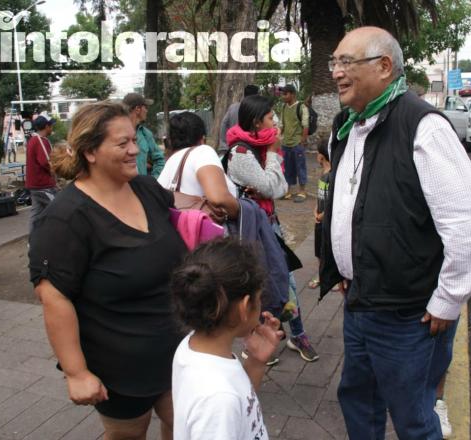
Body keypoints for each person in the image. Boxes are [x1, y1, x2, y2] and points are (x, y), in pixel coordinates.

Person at [320, 27, 471, 439]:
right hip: (360, 299)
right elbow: (350, 204)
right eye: (334, 62)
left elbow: (469, 218)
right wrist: (345, 266)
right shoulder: (348, 125)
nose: (337, 72)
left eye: (347, 62)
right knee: (358, 398)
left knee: (412, 415)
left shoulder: (422, 126)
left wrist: (448, 300)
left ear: (384, 67)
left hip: (407, 315)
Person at [29, 102, 186, 440]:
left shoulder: (145, 188)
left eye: (135, 140)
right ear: (90, 152)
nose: (136, 150)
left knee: (186, 427)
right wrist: (76, 372)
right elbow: (53, 297)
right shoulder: (66, 218)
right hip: (120, 368)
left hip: (178, 348)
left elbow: (182, 213)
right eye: (122, 143)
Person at [226, 95, 319, 363]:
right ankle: (258, 339)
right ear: (256, 122)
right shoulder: (241, 153)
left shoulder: (262, 147)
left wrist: (271, 171)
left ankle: (297, 335)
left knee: (284, 279)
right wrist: (274, 157)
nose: (275, 121)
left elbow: (277, 187)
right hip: (253, 229)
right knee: (260, 284)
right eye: (269, 117)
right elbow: (273, 187)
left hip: (270, 224)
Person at [171, 238, 283, 440]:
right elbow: (226, 401)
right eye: (260, 298)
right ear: (245, 306)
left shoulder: (192, 346)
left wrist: (256, 362)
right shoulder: (218, 400)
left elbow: (243, 404)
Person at [157, 112, 239, 220]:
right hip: (207, 233)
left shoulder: (170, 162)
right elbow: (218, 198)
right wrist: (240, 210)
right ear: (202, 139)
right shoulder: (202, 151)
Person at [25, 114, 58, 234]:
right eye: (51, 125)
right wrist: (57, 171)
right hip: (43, 185)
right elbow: (45, 162)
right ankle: (59, 238)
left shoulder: (33, 140)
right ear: (46, 126)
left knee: (36, 213)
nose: (52, 128)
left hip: (34, 184)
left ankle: (33, 240)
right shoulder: (40, 141)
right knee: (58, 208)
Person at [123, 93, 166, 178]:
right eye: (145, 107)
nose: (147, 111)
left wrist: (153, 181)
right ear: (138, 109)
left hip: (141, 188)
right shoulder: (116, 132)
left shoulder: (145, 134)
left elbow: (159, 159)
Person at [308, 139, 332, 290]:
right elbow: (321, 196)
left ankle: (332, 277)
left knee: (328, 248)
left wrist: (323, 214)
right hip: (320, 219)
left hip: (327, 219)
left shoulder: (332, 175)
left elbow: (333, 199)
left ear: (321, 156)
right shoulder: (323, 174)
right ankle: (321, 273)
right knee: (318, 249)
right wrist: (316, 209)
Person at [279, 84, 309, 202]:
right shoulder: (284, 107)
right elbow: (282, 125)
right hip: (286, 143)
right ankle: (288, 191)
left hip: (297, 144)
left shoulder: (301, 107)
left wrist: (303, 141)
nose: (283, 96)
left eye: (285, 94)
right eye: (283, 94)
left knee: (300, 167)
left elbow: (305, 125)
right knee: (287, 168)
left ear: (292, 94)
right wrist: (277, 136)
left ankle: (302, 191)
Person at [219, 84, 259, 154]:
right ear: (256, 96)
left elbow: (223, 124)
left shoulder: (233, 107)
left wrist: (224, 144)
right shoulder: (256, 110)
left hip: (231, 145)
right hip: (248, 148)